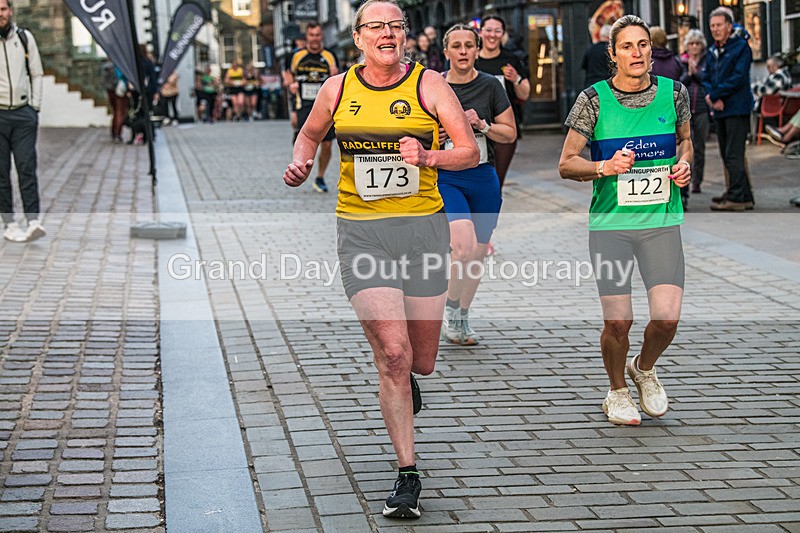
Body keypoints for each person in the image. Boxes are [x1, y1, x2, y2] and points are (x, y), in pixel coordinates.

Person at [283, 0, 478, 518]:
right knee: (393, 353)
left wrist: (430, 156)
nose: (388, 34)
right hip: (363, 233)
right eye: (377, 27)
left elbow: (468, 151)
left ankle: (408, 374)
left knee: (423, 361)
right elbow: (309, 132)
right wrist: (302, 161)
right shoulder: (337, 88)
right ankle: (407, 475)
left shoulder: (429, 85)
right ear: (359, 36)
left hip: (423, 231)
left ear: (406, 36)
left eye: (396, 26)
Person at [558, 15, 693, 426]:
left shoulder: (674, 93)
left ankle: (644, 368)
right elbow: (566, 164)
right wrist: (604, 167)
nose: (637, 53)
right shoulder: (593, 99)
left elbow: (686, 141)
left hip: (661, 222)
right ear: (612, 54)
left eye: (643, 45)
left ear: (651, 50)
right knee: (618, 321)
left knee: (667, 319)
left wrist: (685, 165)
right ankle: (617, 390)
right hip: (611, 226)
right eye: (627, 46)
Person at [438, 23, 516, 345]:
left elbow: (510, 133)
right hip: (447, 176)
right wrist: (435, 135)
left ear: (477, 49)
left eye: (468, 46)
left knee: (478, 252)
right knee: (462, 245)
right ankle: (450, 307)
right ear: (446, 52)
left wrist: (483, 124)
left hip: (483, 175)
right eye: (456, 46)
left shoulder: (491, 86)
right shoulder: (432, 85)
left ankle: (460, 314)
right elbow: (411, 133)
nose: (462, 52)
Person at [0, 0, 46, 242]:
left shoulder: (24, 38)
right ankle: (9, 223)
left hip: (22, 114)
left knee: (26, 166)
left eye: (3, 9)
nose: (0, 14)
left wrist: (34, 107)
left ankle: (33, 220)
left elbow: (37, 73)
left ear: (10, 11)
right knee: (1, 172)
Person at [704, 7, 755, 212]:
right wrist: (711, 96)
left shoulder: (741, 47)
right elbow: (705, 76)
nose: (715, 29)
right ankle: (743, 194)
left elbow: (739, 77)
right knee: (726, 154)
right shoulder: (711, 50)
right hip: (720, 109)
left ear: (728, 26)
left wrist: (716, 94)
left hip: (737, 107)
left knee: (734, 153)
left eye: (719, 25)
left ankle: (736, 197)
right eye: (712, 26)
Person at [476, 15, 530, 189]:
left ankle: (489, 213)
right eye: (488, 30)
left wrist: (516, 78)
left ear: (503, 34)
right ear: (480, 32)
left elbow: (525, 93)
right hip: (473, 127)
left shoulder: (510, 59)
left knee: (495, 182)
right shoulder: (471, 58)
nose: (492, 35)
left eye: (497, 31)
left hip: (503, 128)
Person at [285, 21, 340, 193]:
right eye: (311, 35)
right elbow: (288, 77)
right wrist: (291, 86)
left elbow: (337, 81)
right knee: (308, 140)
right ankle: (302, 170)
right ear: (306, 37)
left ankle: (320, 176)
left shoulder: (330, 56)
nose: (315, 39)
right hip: (304, 104)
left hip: (325, 105)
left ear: (321, 36)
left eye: (317, 35)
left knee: (328, 145)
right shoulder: (296, 56)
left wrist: (334, 76)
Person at [680, 29, 710, 195]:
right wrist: (689, 74)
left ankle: (697, 181)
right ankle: (686, 181)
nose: (694, 47)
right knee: (685, 146)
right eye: (691, 44)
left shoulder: (707, 61)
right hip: (685, 110)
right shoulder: (681, 62)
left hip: (702, 108)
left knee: (699, 146)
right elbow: (679, 83)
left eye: (697, 43)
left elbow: (707, 80)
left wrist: (696, 73)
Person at [103, 61, 128, 143]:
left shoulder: (107, 66)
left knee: (115, 111)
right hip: (119, 89)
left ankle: (114, 131)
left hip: (110, 90)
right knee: (120, 112)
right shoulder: (119, 65)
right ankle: (117, 133)